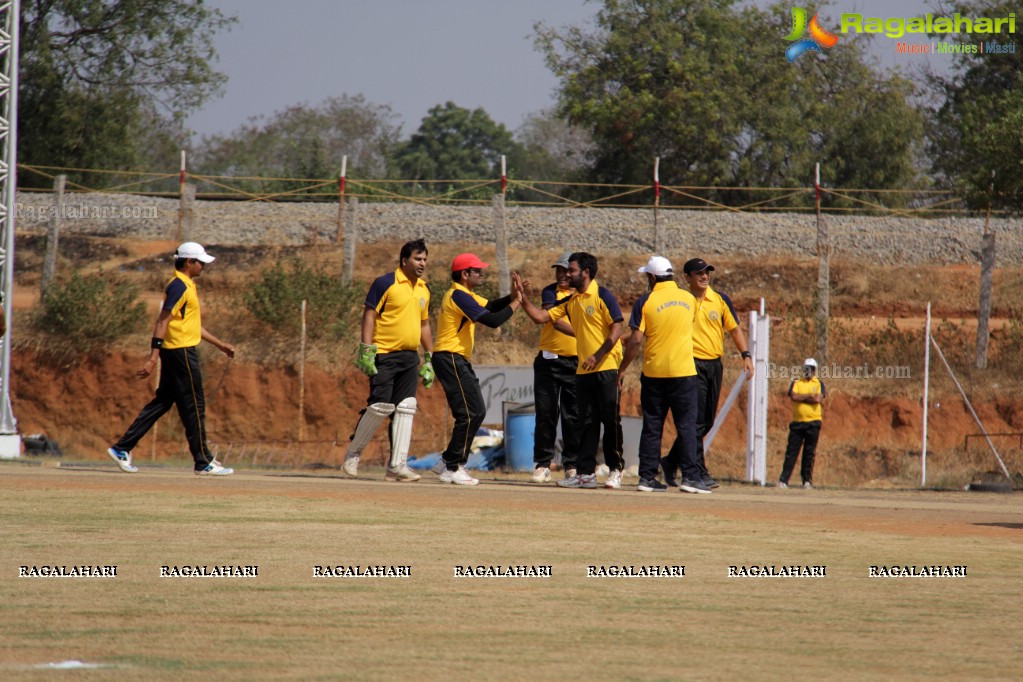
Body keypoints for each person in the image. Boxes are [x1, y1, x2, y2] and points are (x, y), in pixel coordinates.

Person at [107, 242, 236, 475]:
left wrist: (220, 345)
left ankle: (122, 448)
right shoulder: (178, 286)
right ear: (189, 262)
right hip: (181, 352)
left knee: (163, 402)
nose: (203, 266)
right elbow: (162, 321)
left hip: (180, 350)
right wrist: (152, 358)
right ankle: (202, 461)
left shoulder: (188, 284)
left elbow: (191, 325)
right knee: (194, 406)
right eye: (201, 262)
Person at [516, 252, 624, 490]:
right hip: (583, 370)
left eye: (571, 270)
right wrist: (521, 298)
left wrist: (599, 354)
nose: (566, 274)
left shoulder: (602, 294)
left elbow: (617, 325)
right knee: (585, 423)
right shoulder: (571, 301)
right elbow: (541, 317)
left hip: (606, 366)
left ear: (585, 272)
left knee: (610, 420)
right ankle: (585, 474)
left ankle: (616, 470)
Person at [343, 239, 434, 482]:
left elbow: (424, 324)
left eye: (424, 259)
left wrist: (430, 356)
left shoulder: (424, 289)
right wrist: (366, 348)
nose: (422, 263)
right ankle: (354, 454)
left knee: (406, 408)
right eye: (417, 259)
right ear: (404, 260)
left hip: (409, 357)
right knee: (380, 406)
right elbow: (369, 313)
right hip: (384, 353)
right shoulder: (386, 282)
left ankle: (397, 465)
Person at [619, 256, 710, 493]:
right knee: (687, 426)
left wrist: (622, 368)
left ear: (651, 277)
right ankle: (690, 477)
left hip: (654, 373)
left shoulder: (645, 301)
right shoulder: (689, 299)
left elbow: (636, 339)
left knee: (652, 426)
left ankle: (647, 478)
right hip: (684, 372)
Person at [663, 257, 754, 488]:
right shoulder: (682, 300)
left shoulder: (720, 299)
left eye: (707, 272)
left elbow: (734, 329)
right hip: (690, 364)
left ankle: (670, 461)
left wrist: (746, 355)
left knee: (706, 422)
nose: (704, 276)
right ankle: (697, 471)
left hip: (714, 365)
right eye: (698, 273)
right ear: (687, 278)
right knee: (695, 421)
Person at [433, 253, 522, 485]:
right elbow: (492, 321)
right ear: (465, 274)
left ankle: (447, 461)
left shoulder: (465, 295)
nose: (482, 273)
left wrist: (512, 296)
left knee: (476, 412)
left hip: (456, 358)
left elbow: (491, 306)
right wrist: (517, 302)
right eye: (477, 270)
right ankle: (453, 467)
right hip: (450, 357)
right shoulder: (458, 296)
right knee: (469, 413)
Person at [521, 252, 580, 484]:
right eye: (558, 270)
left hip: (576, 361)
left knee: (572, 416)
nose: (562, 274)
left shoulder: (583, 294)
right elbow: (552, 319)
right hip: (549, 361)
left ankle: (572, 465)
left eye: (566, 270)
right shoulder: (550, 291)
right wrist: (583, 333)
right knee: (546, 414)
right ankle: (543, 464)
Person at [779, 358, 825, 489]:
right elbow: (793, 396)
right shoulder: (796, 382)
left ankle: (807, 481)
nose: (808, 371)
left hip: (813, 422)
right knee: (791, 452)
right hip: (798, 422)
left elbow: (817, 399)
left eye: (811, 369)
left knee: (809, 453)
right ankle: (784, 480)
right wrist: (808, 396)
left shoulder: (819, 383)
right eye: (806, 368)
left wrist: (802, 397)